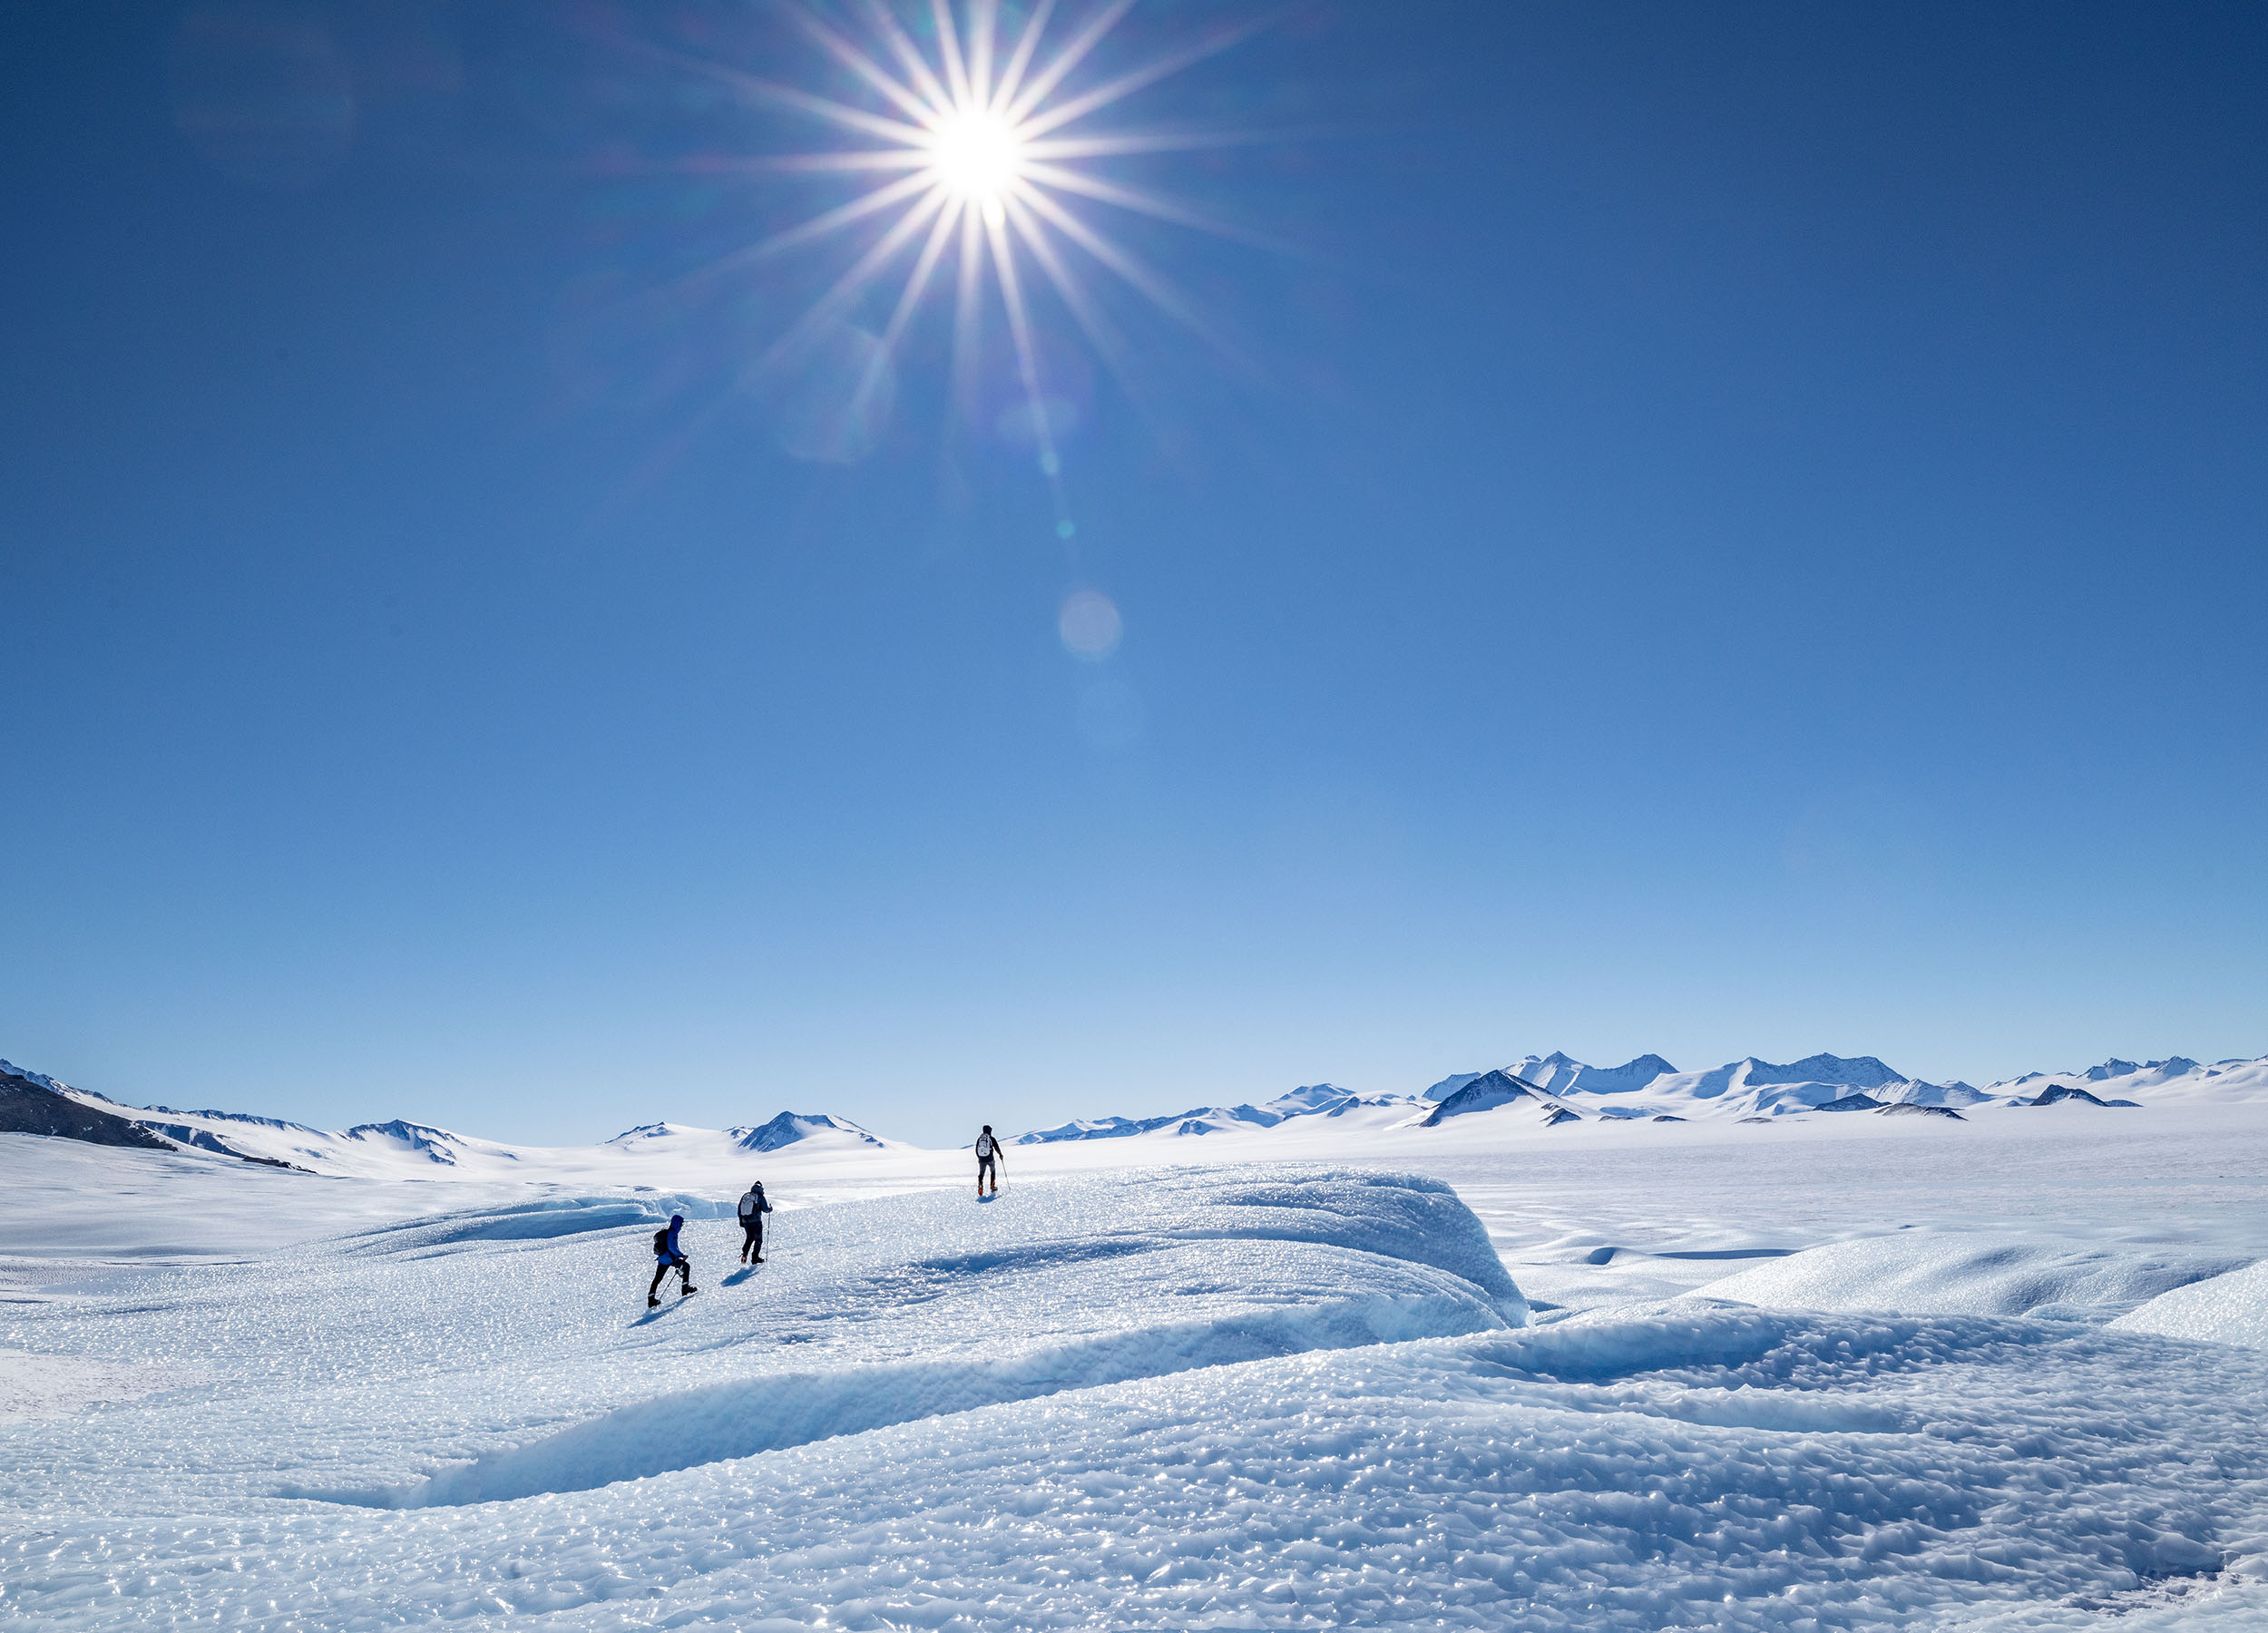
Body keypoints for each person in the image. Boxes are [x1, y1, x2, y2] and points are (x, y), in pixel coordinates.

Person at [648, 1212, 696, 1307]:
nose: (682, 1226)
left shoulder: (667, 1232)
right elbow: (672, 1248)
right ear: (677, 1223)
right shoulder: (672, 1233)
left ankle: (651, 1299)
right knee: (686, 1266)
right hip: (669, 1258)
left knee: (657, 1279)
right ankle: (685, 1288)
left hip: (662, 1258)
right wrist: (681, 1255)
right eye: (682, 1224)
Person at [737, 1180, 772, 1264]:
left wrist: (742, 1220)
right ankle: (755, 1258)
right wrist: (770, 1208)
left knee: (749, 1238)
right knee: (758, 1239)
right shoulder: (760, 1197)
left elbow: (739, 1209)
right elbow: (765, 1209)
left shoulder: (745, 1196)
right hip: (756, 1222)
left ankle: (744, 1254)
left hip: (746, 1221)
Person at [975, 1125, 1002, 1197]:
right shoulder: (991, 1138)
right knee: (993, 1171)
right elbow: (996, 1147)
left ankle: (980, 1186)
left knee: (981, 1173)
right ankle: (992, 1186)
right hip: (990, 1158)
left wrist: (979, 1158)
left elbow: (976, 1150)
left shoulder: (979, 1139)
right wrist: (1000, 1154)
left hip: (981, 1159)